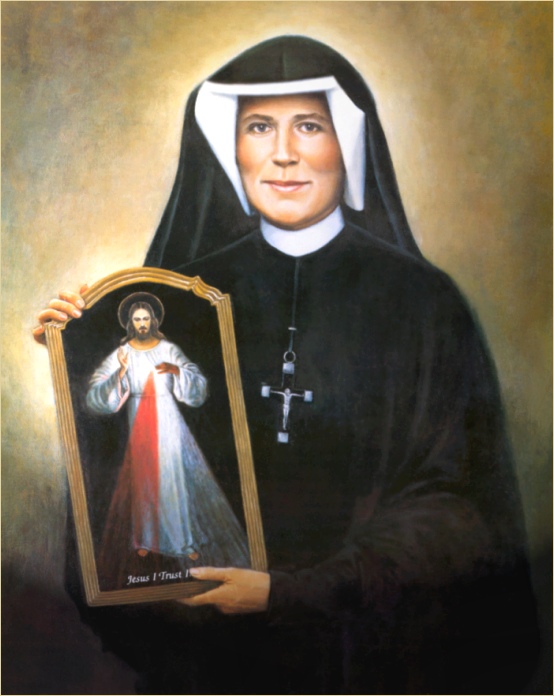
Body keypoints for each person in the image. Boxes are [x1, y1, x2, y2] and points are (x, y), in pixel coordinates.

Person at [35, 36, 538, 694]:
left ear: (347, 144)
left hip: (366, 662)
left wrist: (296, 593)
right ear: (231, 149)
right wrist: (79, 352)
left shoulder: (424, 303)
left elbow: (457, 509)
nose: (282, 154)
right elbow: (131, 480)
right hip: (212, 662)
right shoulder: (183, 298)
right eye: (258, 127)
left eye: (308, 125)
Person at [85, 293, 249, 589]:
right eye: (137, 319)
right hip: (138, 418)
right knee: (143, 480)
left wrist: (177, 371)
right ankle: (145, 540)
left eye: (146, 319)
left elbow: (196, 382)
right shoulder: (122, 352)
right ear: (130, 323)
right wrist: (120, 372)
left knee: (172, 479)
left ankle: (182, 543)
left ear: (154, 321)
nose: (142, 324)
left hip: (168, 419)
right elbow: (96, 392)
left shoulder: (169, 349)